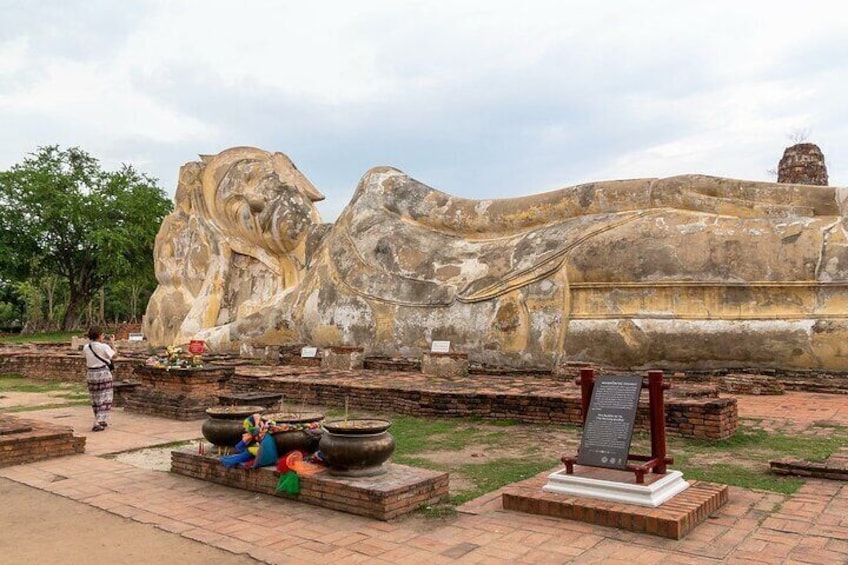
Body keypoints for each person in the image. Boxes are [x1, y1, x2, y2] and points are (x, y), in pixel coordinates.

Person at [82, 326, 117, 432]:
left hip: (91, 374)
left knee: (95, 398)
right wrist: (113, 344)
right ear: (99, 336)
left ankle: (101, 419)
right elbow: (114, 356)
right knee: (106, 397)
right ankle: (97, 421)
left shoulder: (86, 347)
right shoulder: (104, 347)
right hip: (103, 373)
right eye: (102, 335)